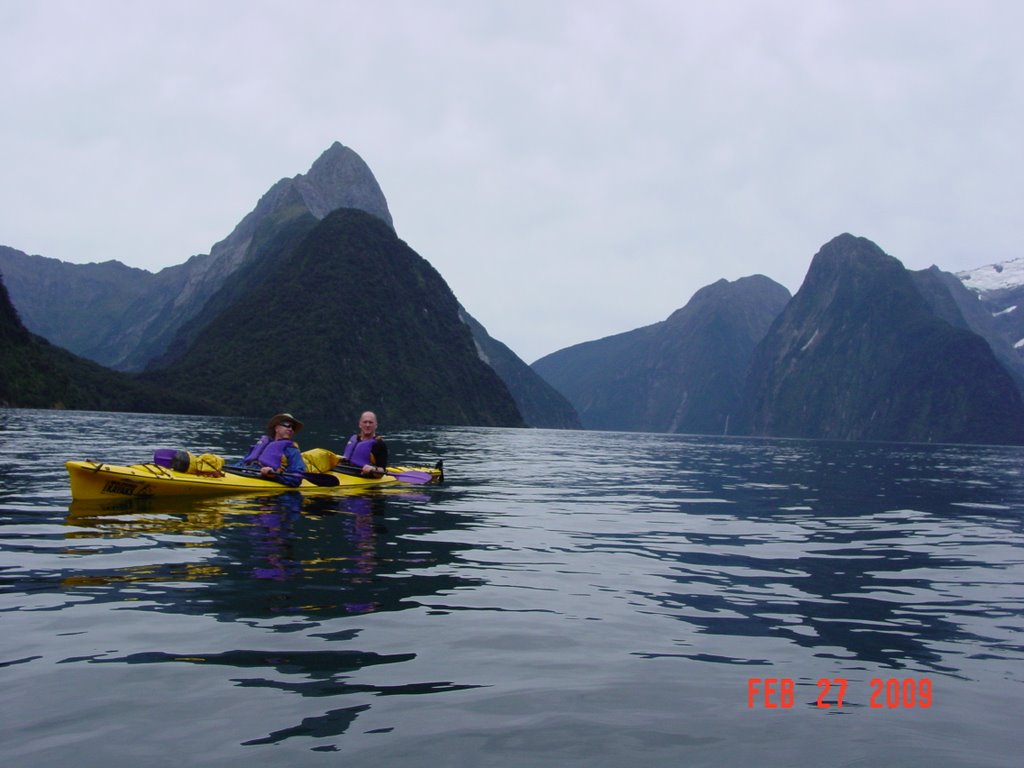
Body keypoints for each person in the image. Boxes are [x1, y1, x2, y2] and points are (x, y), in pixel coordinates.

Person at [238, 413, 307, 486]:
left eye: (293, 427)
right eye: (287, 425)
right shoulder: (262, 444)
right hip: (246, 473)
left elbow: (296, 478)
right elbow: (241, 463)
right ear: (276, 428)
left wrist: (275, 476)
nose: (290, 429)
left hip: (271, 481)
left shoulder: (292, 450)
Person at [338, 411, 389, 477]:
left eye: (370, 422)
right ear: (360, 424)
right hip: (343, 471)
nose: (367, 425)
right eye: (365, 422)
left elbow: (382, 471)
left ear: (376, 425)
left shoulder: (379, 444)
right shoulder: (354, 439)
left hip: (363, 476)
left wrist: (373, 469)